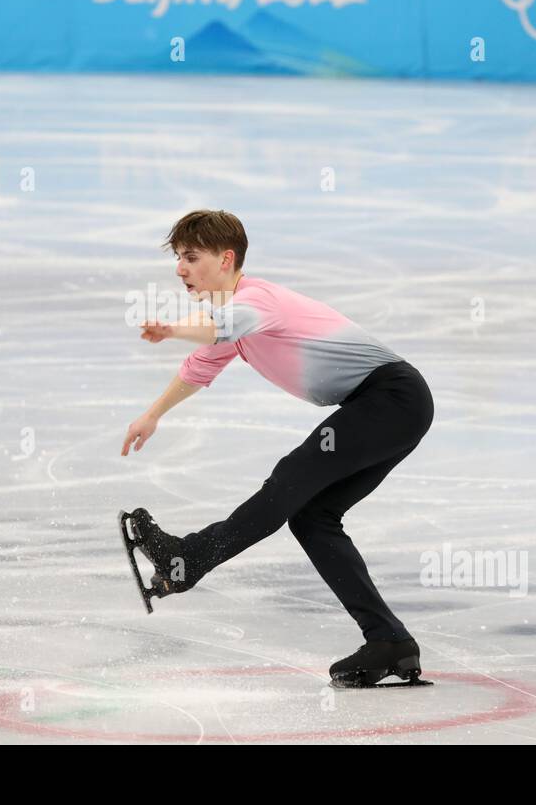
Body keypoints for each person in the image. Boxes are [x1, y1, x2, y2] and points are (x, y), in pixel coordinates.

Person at [120, 209, 435, 687]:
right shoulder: (234, 321)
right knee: (312, 516)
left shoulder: (255, 302)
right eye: (179, 258)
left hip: (391, 398)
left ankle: (185, 560)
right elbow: (199, 366)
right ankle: (389, 640)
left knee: (292, 476)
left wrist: (170, 328)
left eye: (191, 257)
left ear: (225, 260)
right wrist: (154, 414)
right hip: (392, 405)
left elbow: (218, 330)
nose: (180, 269)